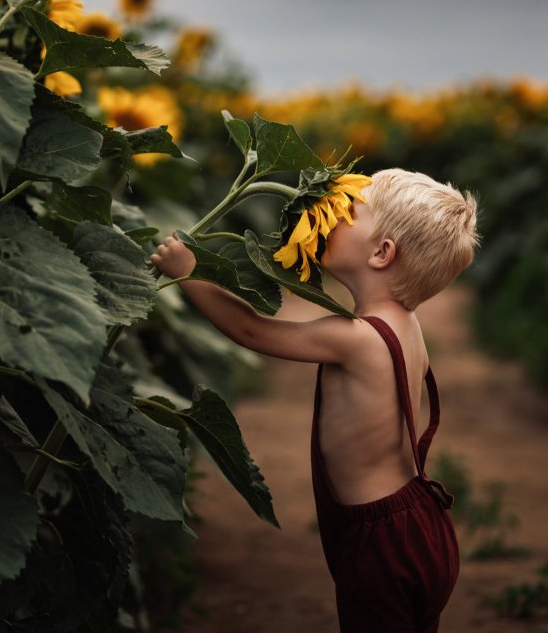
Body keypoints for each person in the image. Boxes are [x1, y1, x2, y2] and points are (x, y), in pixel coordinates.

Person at [150, 167, 479, 632]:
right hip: (423, 522)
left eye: (349, 211)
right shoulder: (409, 328)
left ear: (382, 253)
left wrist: (190, 271)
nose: (331, 213)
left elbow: (250, 329)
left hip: (380, 538)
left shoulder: (355, 337)